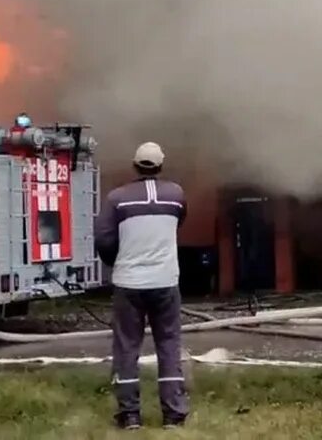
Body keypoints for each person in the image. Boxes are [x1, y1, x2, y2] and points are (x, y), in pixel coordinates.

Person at [95, 141, 189, 431]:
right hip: (165, 283)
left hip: (128, 285)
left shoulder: (116, 199)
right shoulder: (176, 195)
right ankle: (173, 415)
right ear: (160, 166)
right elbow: (178, 223)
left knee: (126, 347)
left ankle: (130, 415)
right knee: (169, 344)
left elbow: (104, 240)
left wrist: (119, 261)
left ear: (135, 165)